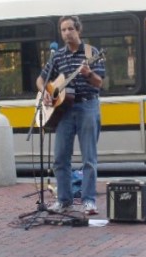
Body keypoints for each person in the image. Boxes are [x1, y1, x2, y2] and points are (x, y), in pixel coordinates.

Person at [36, 16, 105, 215]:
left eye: (70, 29)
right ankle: (64, 200)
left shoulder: (92, 53)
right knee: (59, 158)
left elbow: (99, 83)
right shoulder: (57, 56)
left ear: (78, 31)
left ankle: (89, 201)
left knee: (88, 159)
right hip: (64, 111)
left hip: (87, 106)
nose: (66, 33)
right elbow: (40, 80)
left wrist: (88, 74)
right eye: (63, 30)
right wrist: (46, 93)